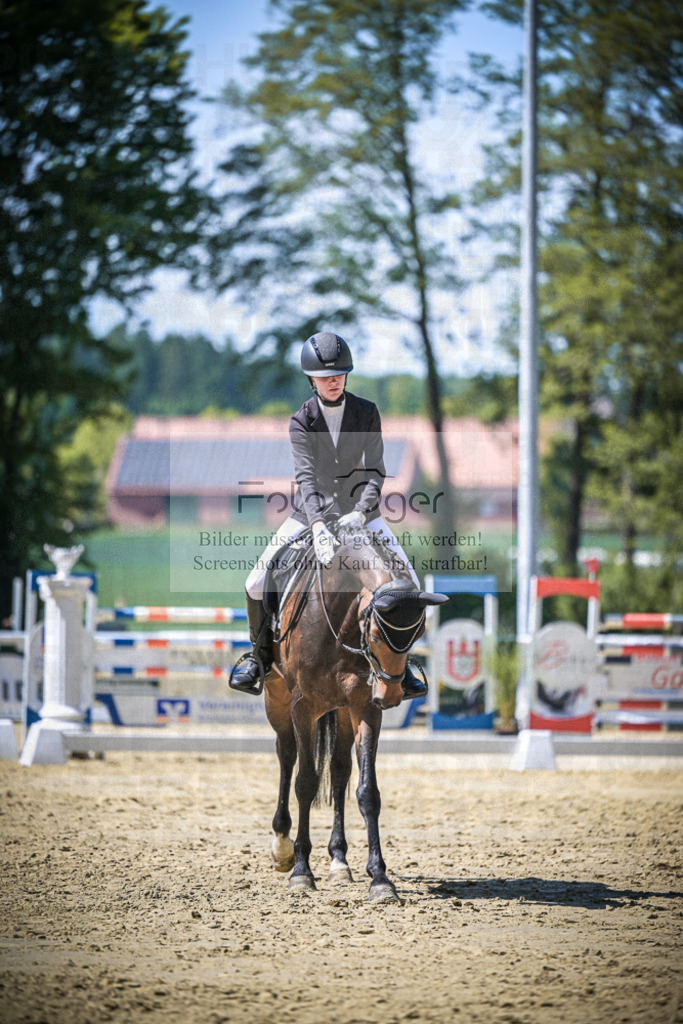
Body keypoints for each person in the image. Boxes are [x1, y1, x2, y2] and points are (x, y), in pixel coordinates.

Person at [230, 331, 427, 700]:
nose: (333, 380)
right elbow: (305, 477)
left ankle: (407, 664)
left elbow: (376, 472)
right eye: (324, 376)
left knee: (409, 584)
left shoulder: (366, 412)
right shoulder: (301, 420)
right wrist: (319, 525)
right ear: (311, 379)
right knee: (255, 581)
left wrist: (359, 513)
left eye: (339, 374)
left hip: (362, 516)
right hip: (309, 516)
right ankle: (257, 659)